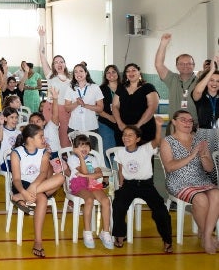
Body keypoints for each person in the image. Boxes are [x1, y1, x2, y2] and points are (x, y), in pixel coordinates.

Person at [160, 109, 219, 254]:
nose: (187, 123)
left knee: (216, 194)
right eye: (183, 120)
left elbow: (210, 168)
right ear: (174, 122)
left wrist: (205, 156)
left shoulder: (198, 140)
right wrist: (192, 155)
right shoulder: (167, 141)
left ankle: (206, 234)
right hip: (178, 181)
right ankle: (206, 236)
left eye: (190, 120)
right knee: (201, 199)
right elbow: (169, 167)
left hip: (200, 179)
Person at [112, 119, 172, 252]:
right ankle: (120, 234)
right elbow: (121, 170)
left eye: (130, 135)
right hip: (129, 185)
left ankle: (167, 240)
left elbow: (157, 140)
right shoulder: (120, 152)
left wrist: (158, 125)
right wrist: (121, 185)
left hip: (146, 185)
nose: (126, 137)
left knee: (160, 209)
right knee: (118, 205)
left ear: (138, 139)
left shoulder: (146, 149)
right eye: (124, 135)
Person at [9, 124, 65, 258]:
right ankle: (38, 242)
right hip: (21, 185)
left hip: (38, 183)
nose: (44, 139)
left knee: (61, 177)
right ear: (30, 139)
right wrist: (23, 191)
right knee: (43, 199)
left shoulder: (44, 152)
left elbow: (43, 173)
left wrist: (34, 186)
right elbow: (16, 179)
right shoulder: (16, 153)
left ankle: (19, 198)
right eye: (41, 137)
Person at [65, 134, 114, 249]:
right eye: (81, 146)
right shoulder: (72, 158)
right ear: (75, 148)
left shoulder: (93, 158)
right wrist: (80, 159)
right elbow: (83, 170)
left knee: (106, 201)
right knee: (89, 199)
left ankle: (105, 232)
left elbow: (99, 173)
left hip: (93, 183)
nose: (84, 148)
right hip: (78, 184)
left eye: (86, 145)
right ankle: (87, 232)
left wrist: (87, 175)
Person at [38, 26, 71, 147]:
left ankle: (64, 162)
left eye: (61, 61)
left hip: (65, 109)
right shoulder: (50, 75)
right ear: (53, 65)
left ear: (65, 64)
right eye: (56, 62)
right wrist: (42, 37)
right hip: (50, 107)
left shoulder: (70, 80)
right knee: (51, 136)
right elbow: (42, 55)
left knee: (64, 138)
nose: (59, 64)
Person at [112, 63, 159, 143]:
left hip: (144, 129)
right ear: (125, 74)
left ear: (139, 72)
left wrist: (138, 126)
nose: (131, 73)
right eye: (128, 71)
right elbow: (115, 106)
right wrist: (120, 124)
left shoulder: (148, 87)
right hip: (123, 129)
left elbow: (152, 107)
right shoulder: (121, 88)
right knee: (123, 153)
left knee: (144, 154)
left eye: (134, 70)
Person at [155, 33, 198, 119]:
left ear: (194, 65)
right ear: (176, 66)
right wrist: (163, 44)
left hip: (194, 125)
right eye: (181, 64)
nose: (185, 66)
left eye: (189, 63)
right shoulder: (172, 79)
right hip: (174, 125)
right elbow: (159, 64)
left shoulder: (200, 81)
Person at [64, 64, 104, 140]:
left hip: (91, 127)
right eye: (75, 72)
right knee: (76, 151)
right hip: (74, 127)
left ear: (86, 73)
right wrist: (77, 103)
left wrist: (85, 105)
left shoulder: (95, 87)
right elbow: (67, 108)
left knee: (91, 151)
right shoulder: (70, 88)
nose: (78, 74)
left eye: (81, 71)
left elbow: (100, 108)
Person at [191, 55, 219, 155]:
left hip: (218, 133)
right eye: (211, 80)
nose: (214, 83)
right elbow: (197, 91)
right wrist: (211, 70)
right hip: (204, 133)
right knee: (205, 165)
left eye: (218, 81)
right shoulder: (200, 96)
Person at [97, 64, 121, 151]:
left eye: (113, 72)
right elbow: (98, 108)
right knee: (108, 150)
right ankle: (107, 165)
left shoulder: (124, 88)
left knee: (122, 149)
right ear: (105, 76)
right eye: (108, 73)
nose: (111, 74)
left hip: (122, 123)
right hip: (105, 123)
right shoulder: (100, 89)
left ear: (117, 73)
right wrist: (110, 117)